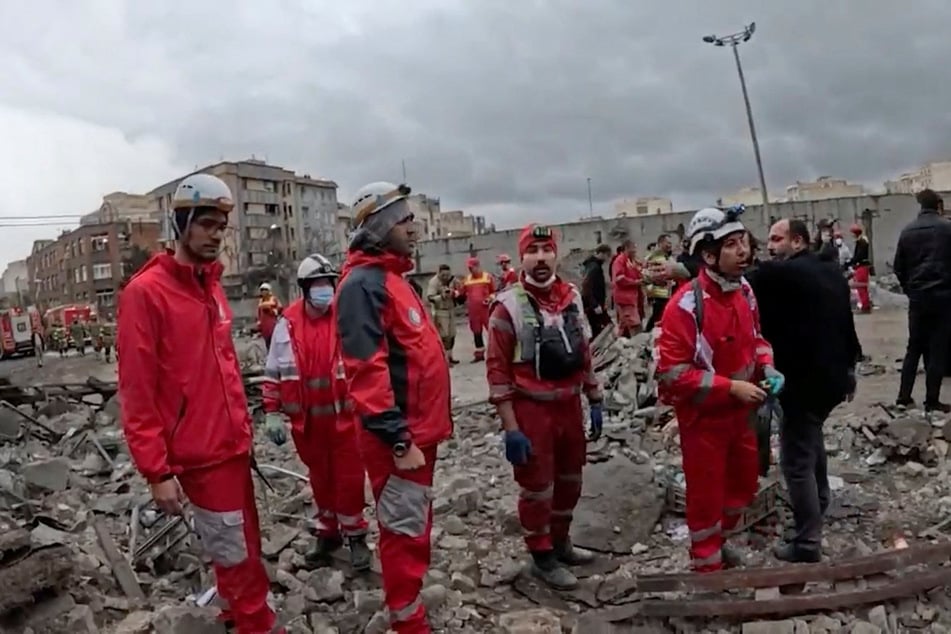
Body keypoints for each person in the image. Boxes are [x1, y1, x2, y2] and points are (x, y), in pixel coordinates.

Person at [117, 174, 280, 633]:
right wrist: (157, 471)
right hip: (200, 455)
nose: (215, 235)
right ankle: (257, 625)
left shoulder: (210, 286)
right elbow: (137, 390)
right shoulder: (146, 294)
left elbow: (222, 367)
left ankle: (234, 612)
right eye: (206, 224)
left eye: (221, 227)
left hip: (231, 446)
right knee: (237, 554)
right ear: (182, 223)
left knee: (242, 543)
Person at [336, 181, 452, 633]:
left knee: (413, 523)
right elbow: (366, 370)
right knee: (403, 530)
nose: (413, 227)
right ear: (380, 227)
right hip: (398, 438)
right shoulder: (362, 287)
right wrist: (398, 437)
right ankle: (408, 621)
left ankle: (411, 607)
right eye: (404, 220)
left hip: (417, 433)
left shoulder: (393, 281)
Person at [655, 207, 778, 573]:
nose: (744, 251)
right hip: (704, 420)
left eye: (744, 242)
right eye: (732, 245)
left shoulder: (745, 291)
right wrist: (731, 388)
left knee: (741, 488)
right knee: (706, 497)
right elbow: (672, 375)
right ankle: (706, 568)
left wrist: (767, 366)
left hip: (741, 415)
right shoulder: (685, 306)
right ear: (708, 255)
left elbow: (755, 339)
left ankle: (719, 545)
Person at [486, 224, 602, 590]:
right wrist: (511, 429)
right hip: (531, 410)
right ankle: (541, 555)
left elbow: (584, 349)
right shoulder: (507, 307)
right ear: (522, 258)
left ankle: (561, 541)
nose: (540, 258)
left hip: (569, 405)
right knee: (537, 488)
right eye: (532, 251)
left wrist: (594, 396)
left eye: (546, 250)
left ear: (556, 254)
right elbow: (497, 371)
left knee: (571, 480)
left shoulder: (571, 297)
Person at [749, 219, 861, 563]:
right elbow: (846, 322)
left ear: (797, 242)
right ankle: (822, 499)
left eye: (776, 239)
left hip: (802, 382)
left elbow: (739, 278)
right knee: (810, 438)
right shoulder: (829, 271)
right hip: (833, 379)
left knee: (796, 461)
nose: (769, 246)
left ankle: (807, 542)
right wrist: (850, 368)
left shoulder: (784, 274)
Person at [262, 253, 371, 571]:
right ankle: (329, 534)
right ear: (306, 288)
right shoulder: (288, 324)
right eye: (319, 284)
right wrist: (271, 411)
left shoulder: (344, 317)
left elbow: (365, 363)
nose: (326, 290)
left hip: (345, 419)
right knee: (320, 481)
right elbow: (274, 372)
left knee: (349, 480)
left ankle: (356, 535)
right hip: (308, 424)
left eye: (329, 284)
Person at [894, 189, 951, 412]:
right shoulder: (947, 229)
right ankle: (932, 400)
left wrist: (911, 289)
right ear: (938, 204)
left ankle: (903, 396)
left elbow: (899, 266)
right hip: (944, 297)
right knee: (937, 348)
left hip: (918, 299)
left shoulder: (908, 231)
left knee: (914, 346)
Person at [457, 257, 496, 362]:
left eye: (472, 267)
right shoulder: (467, 279)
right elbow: (461, 293)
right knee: (476, 332)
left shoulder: (488, 277)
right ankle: (479, 354)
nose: (470, 270)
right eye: (469, 268)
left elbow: (494, 291)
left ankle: (496, 352)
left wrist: (489, 299)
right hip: (473, 311)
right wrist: (455, 293)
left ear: (478, 266)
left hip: (486, 309)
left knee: (492, 330)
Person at [426, 264, 460, 364]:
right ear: (439, 273)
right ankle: (443, 359)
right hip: (440, 310)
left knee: (452, 334)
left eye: (448, 275)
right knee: (443, 335)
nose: (446, 277)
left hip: (451, 309)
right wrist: (441, 296)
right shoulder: (434, 282)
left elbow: (460, 291)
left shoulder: (452, 280)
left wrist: (455, 292)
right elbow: (430, 297)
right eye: (444, 275)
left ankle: (450, 356)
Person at [611, 240, 644, 337]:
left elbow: (637, 272)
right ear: (626, 248)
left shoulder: (630, 261)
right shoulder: (620, 260)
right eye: (633, 248)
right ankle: (638, 344)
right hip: (625, 298)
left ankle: (618, 343)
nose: (635, 251)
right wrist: (635, 282)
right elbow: (619, 279)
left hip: (631, 297)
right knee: (635, 324)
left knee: (624, 325)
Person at [581, 244, 613, 340]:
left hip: (595, 303)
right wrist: (594, 304)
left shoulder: (592, 265)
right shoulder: (594, 267)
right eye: (607, 255)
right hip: (593, 305)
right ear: (602, 254)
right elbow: (586, 285)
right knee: (601, 329)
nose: (608, 259)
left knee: (600, 328)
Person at [644, 234, 675, 330]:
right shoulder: (654, 256)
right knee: (657, 316)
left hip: (667, 291)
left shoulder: (667, 256)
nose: (670, 245)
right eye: (668, 243)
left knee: (662, 316)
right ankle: (645, 335)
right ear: (661, 243)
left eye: (671, 243)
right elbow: (649, 275)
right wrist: (665, 281)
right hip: (659, 292)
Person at [848, 223, 872, 313]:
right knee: (862, 287)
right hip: (862, 266)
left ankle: (865, 307)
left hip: (861, 266)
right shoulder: (862, 241)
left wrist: (851, 262)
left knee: (861, 286)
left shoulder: (861, 242)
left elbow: (858, 256)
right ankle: (865, 305)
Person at [256, 282, 282, 349]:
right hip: (265, 326)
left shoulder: (274, 299)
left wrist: (271, 310)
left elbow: (280, 309)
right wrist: (259, 323)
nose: (263, 292)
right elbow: (259, 313)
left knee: (274, 342)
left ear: (268, 291)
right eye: (262, 290)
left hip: (272, 324)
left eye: (265, 290)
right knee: (267, 343)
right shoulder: (261, 301)